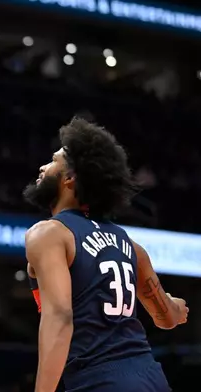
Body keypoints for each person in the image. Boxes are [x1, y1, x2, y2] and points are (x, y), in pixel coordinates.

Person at [23, 117, 189, 392]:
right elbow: (167, 318)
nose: (43, 166)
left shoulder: (49, 234)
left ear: (70, 178)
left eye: (53, 161)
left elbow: (60, 317)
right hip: (152, 378)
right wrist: (175, 305)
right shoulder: (131, 246)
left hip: (100, 380)